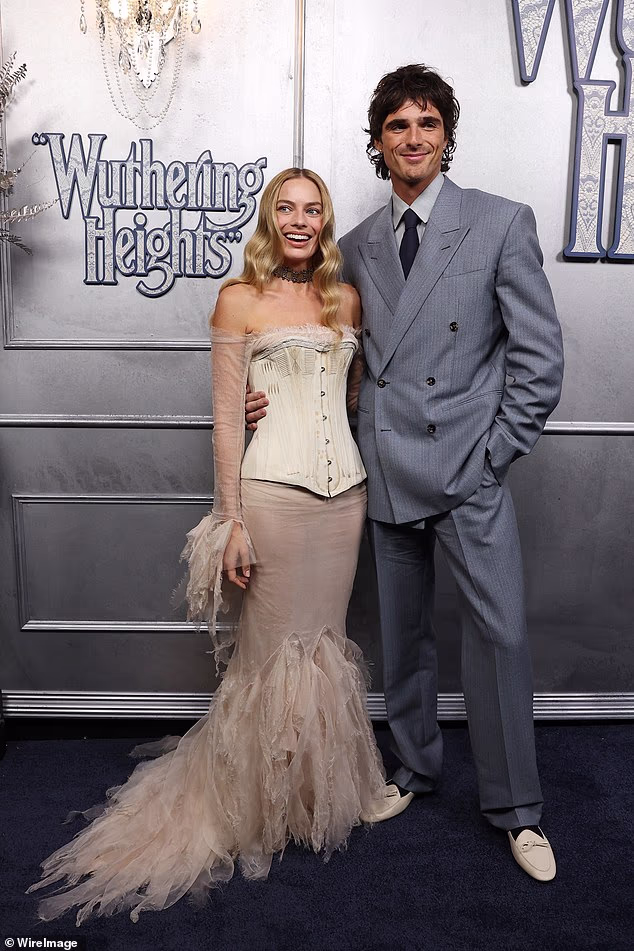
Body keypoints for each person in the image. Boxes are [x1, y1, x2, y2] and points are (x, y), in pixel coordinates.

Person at [27, 167, 407, 926]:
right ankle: (256, 801)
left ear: (325, 221)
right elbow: (227, 420)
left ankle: (315, 793)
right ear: (269, 219)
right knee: (268, 655)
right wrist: (230, 517)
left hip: (347, 498)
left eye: (313, 210)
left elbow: (354, 394)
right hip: (271, 495)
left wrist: (299, 396)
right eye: (285, 209)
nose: (299, 221)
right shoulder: (237, 299)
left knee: (325, 643)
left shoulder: (346, 298)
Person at [246, 66, 564, 883]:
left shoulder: (499, 222)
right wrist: (267, 397)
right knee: (405, 636)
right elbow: (330, 356)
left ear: (446, 135)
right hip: (383, 466)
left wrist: (492, 457)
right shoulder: (350, 245)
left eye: (427, 123)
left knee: (498, 638)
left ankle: (517, 809)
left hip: (469, 469)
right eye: (397, 125)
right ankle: (417, 767)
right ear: (378, 140)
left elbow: (538, 359)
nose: (413, 138)